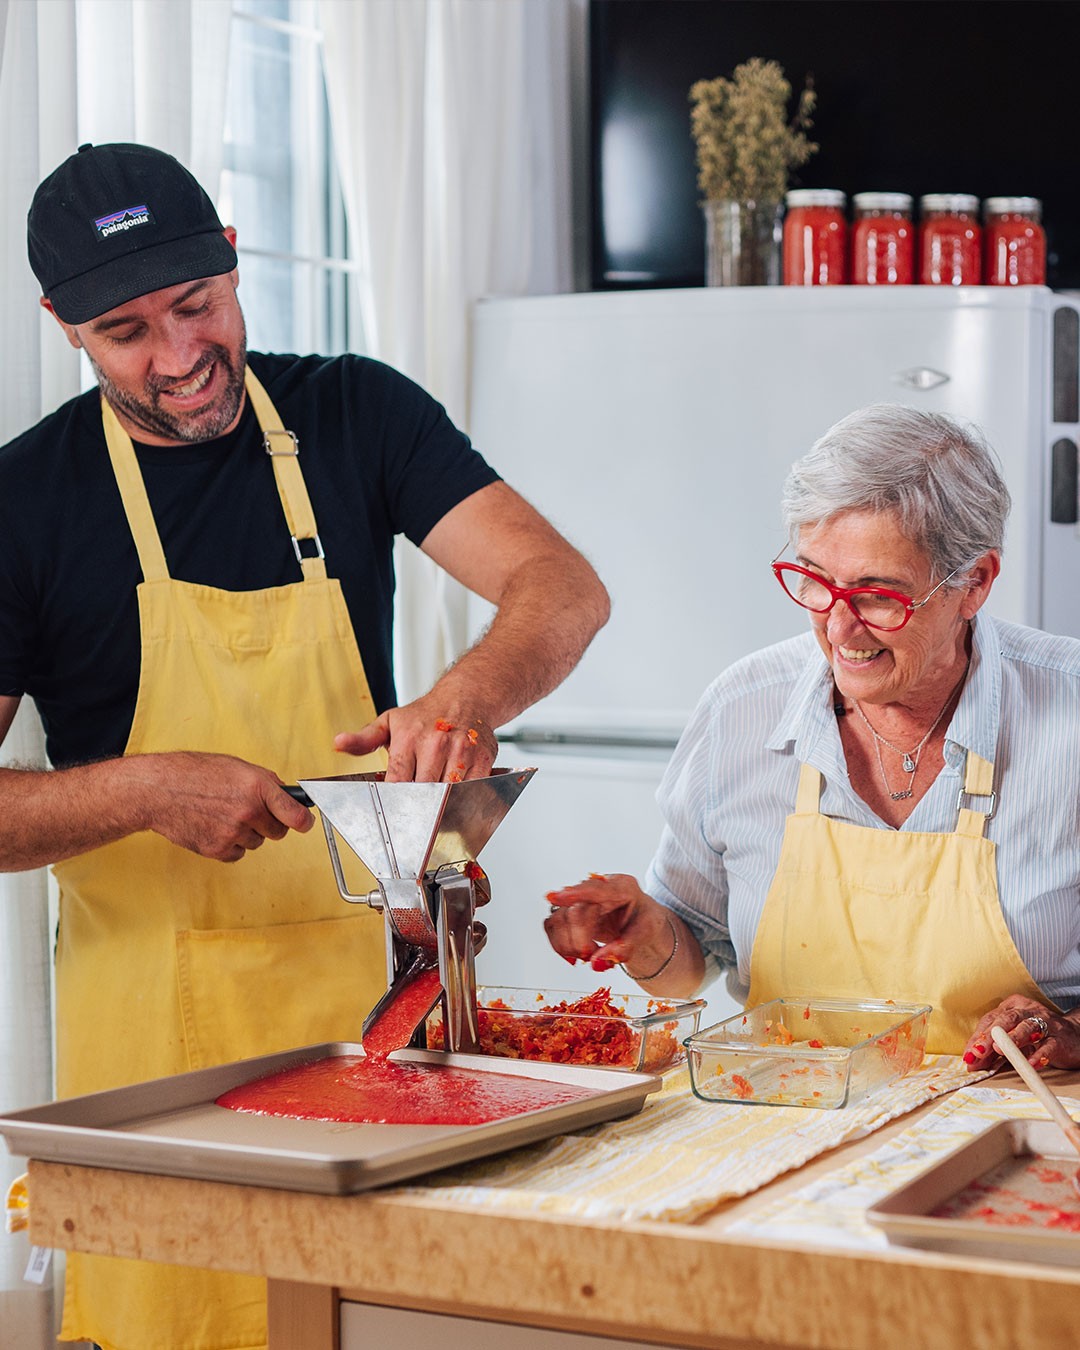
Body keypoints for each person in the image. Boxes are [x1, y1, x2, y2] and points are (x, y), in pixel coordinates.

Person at [0, 142, 609, 1350]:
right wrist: (140, 790)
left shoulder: (353, 413)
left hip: (373, 1025)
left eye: (197, 305)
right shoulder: (25, 502)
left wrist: (465, 696)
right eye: (127, 331)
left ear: (234, 261)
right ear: (62, 325)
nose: (180, 357)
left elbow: (562, 587)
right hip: (155, 1073)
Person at [546, 403, 1080, 1076]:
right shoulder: (743, 709)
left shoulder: (1069, 715)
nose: (839, 629)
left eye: (879, 595)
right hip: (786, 1122)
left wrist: (1073, 1031)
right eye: (816, 583)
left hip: (1012, 1130)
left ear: (974, 583)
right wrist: (647, 934)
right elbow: (693, 957)